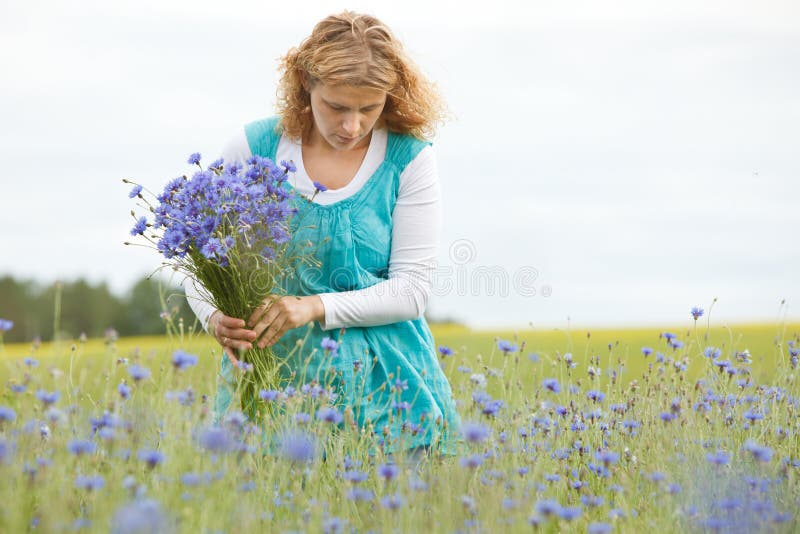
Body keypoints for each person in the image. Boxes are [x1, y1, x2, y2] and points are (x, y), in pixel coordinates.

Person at [185, 11, 461, 457]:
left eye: (368, 109)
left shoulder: (409, 160)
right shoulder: (254, 149)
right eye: (337, 107)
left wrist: (312, 306)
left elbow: (411, 292)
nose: (352, 126)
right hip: (272, 387)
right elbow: (201, 257)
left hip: (388, 392)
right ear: (305, 84)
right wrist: (214, 318)